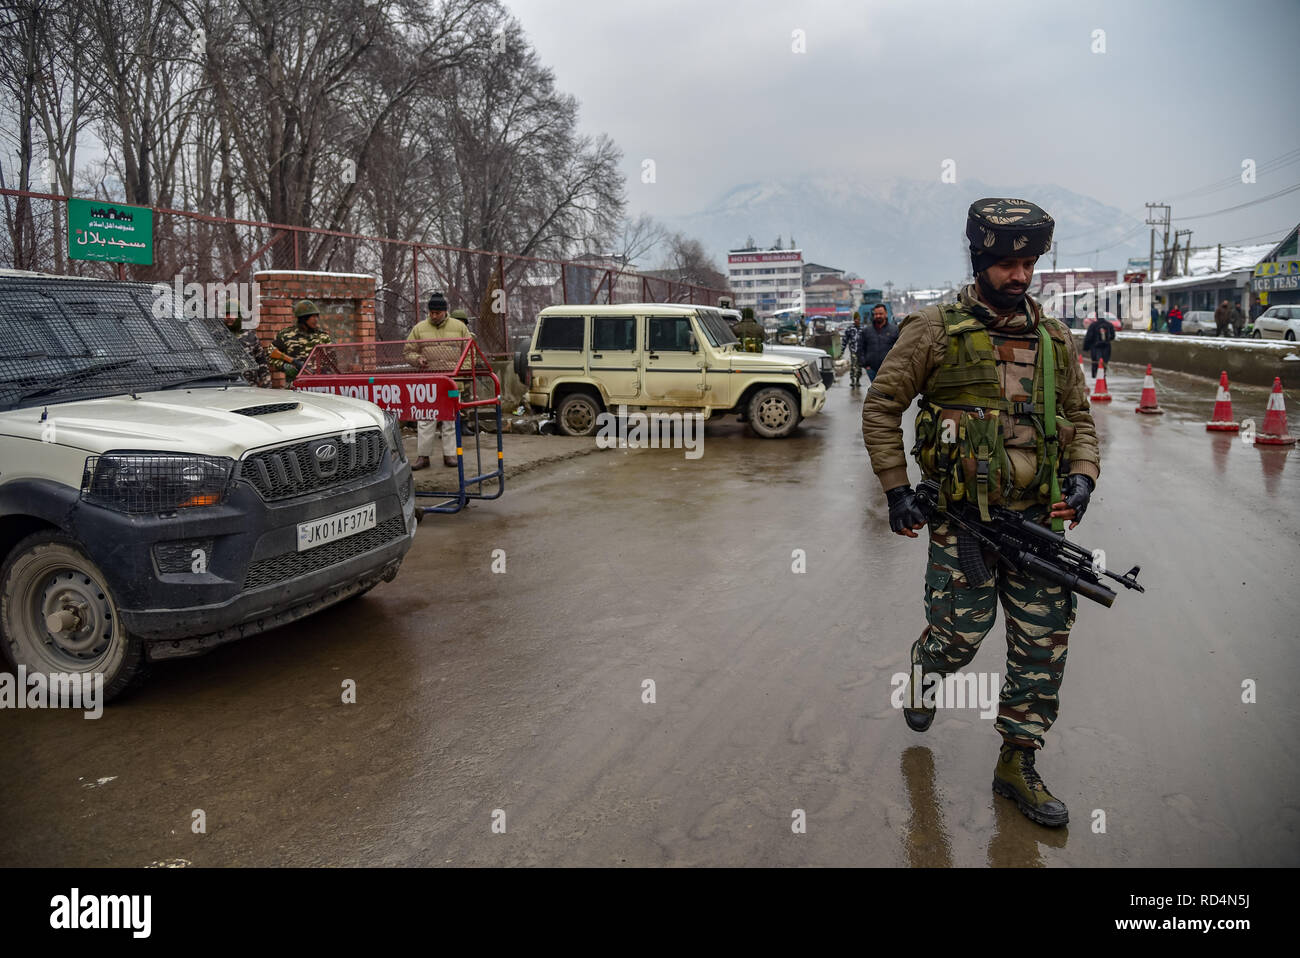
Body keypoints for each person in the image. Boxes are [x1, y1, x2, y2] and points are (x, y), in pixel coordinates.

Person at [861, 197, 1100, 829]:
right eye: (1006, 263)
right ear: (979, 259)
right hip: (963, 519)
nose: (1019, 275)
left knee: (1042, 647)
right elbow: (882, 406)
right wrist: (896, 490)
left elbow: (1079, 419)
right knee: (959, 637)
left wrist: (1082, 478)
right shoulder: (934, 330)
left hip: (1038, 525)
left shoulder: (1052, 339)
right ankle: (925, 670)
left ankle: (1016, 762)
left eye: (1028, 263)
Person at [405, 291, 473, 469]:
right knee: (426, 418)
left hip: (452, 381)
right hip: (428, 382)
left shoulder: (459, 327)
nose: (433, 316)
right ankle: (423, 456)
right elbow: (408, 351)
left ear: (445, 311)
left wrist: (460, 373)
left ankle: (449, 455)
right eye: (431, 313)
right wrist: (417, 359)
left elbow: (469, 352)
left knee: (450, 419)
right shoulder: (419, 329)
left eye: (437, 313)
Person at [270, 300, 332, 385]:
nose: (316, 320)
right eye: (312, 317)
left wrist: (325, 374)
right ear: (303, 318)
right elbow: (270, 354)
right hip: (295, 386)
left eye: (316, 316)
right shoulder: (286, 335)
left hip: (319, 385)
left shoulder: (323, 337)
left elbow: (332, 362)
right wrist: (285, 366)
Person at [221, 298, 270, 387]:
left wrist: (266, 384)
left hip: (250, 386)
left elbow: (262, 362)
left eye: (232, 314)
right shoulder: (217, 336)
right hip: (225, 386)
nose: (228, 317)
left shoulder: (250, 336)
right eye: (226, 314)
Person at [856, 304, 898, 382]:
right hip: (872, 370)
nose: (878, 316)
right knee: (876, 392)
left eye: (880, 314)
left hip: (889, 370)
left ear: (886, 314)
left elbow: (900, 350)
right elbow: (860, 348)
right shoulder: (866, 331)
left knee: (887, 392)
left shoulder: (894, 330)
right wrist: (865, 364)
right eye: (876, 314)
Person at [843, 314, 863, 386]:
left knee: (859, 366)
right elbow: (845, 340)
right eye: (855, 319)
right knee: (853, 366)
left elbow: (867, 340)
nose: (856, 320)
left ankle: (858, 380)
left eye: (858, 319)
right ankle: (852, 380)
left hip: (861, 351)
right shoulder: (850, 329)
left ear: (860, 320)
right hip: (853, 350)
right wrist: (842, 350)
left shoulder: (863, 329)